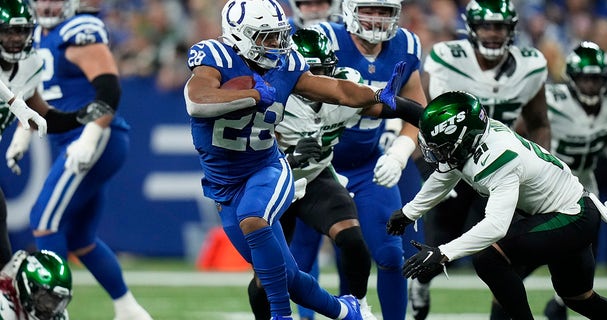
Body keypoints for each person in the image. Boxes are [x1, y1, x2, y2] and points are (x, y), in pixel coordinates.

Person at [184, 0, 419, 319]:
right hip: (224, 184)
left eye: (279, 35)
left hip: (267, 168)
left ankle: (284, 316)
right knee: (282, 274)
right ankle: (345, 310)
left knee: (255, 217)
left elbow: (338, 90)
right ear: (239, 35)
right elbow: (197, 101)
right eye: (265, 36)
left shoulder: (288, 65)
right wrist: (253, 94)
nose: (277, 45)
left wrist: (378, 97)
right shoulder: (215, 56)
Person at [386, 90, 607, 320]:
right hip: (569, 212)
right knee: (580, 299)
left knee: (488, 258)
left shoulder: (499, 157)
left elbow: (496, 226)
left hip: (571, 216)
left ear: (462, 140)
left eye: (442, 148)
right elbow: (446, 174)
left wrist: (443, 253)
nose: (436, 155)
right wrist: (410, 212)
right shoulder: (474, 139)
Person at [415, 1, 551, 318]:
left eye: (500, 27)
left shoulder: (530, 65)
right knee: (440, 247)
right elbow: (424, 117)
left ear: (511, 30)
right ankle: (421, 283)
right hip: (455, 167)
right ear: (472, 29)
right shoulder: (447, 59)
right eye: (487, 26)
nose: (493, 33)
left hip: (502, 169)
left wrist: (539, 165)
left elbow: (539, 122)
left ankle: (501, 307)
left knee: (513, 248)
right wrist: (432, 165)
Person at [28, 0, 152, 319]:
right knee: (81, 239)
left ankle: (53, 311)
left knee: (44, 221)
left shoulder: (78, 31)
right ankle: (128, 308)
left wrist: (92, 135)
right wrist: (21, 133)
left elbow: (108, 90)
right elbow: (40, 96)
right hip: (75, 139)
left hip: (96, 137)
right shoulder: (36, 35)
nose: (46, 4)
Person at [313, 0, 428, 317]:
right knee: (303, 256)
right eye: (368, 8)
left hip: (367, 165)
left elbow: (417, 107)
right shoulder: (326, 38)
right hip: (318, 167)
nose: (376, 18)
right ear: (349, 8)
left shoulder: (405, 44)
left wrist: (401, 151)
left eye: (383, 10)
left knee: (391, 255)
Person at [0, 0, 109, 267]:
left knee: (3, 258)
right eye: (7, 31)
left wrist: (81, 118)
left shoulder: (29, 65)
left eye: (22, 31)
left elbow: (44, 116)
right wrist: (16, 104)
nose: (15, 39)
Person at [540, 41, 607, 320]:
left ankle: (559, 304)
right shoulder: (551, 101)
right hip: (544, 188)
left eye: (597, 79)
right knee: (525, 256)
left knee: (582, 265)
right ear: (572, 79)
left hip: (584, 190)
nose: (591, 86)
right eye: (585, 78)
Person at [0, 250, 72, 320]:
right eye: (46, 299)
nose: (51, 307)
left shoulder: (59, 315)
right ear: (27, 288)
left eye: (56, 301)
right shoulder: (5, 308)